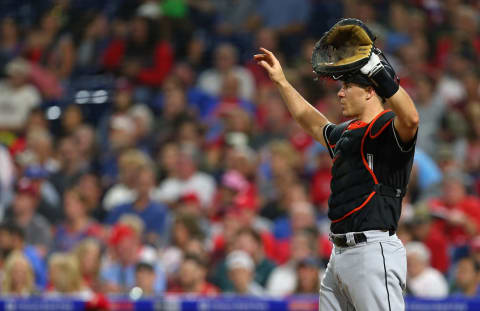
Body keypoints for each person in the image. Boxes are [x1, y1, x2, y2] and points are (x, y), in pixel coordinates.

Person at [255, 18, 419, 310]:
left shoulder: (387, 128)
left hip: (372, 250)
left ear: (369, 90)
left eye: (347, 86)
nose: (340, 93)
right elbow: (313, 122)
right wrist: (281, 81)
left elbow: (411, 119)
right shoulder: (348, 132)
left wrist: (380, 75)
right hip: (339, 254)